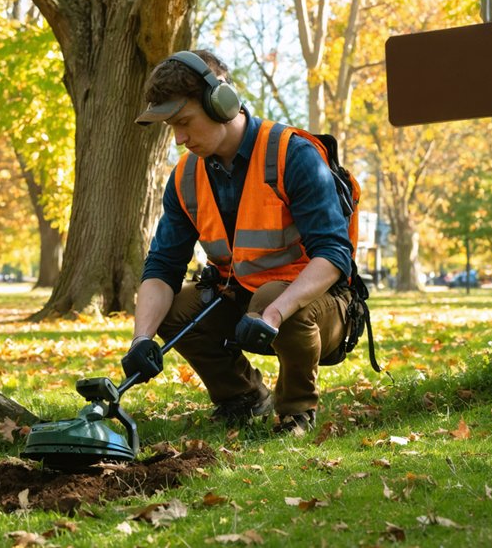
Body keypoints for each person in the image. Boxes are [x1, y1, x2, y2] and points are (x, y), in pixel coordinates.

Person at [125, 49, 353, 436]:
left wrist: (276, 312)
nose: (179, 139)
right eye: (171, 128)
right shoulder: (184, 177)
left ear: (222, 103)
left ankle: (297, 409)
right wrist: (141, 339)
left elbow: (334, 255)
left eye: (184, 122)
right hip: (242, 300)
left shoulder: (293, 155)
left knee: (271, 300)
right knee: (173, 308)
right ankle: (244, 397)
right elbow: (162, 267)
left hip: (316, 308)